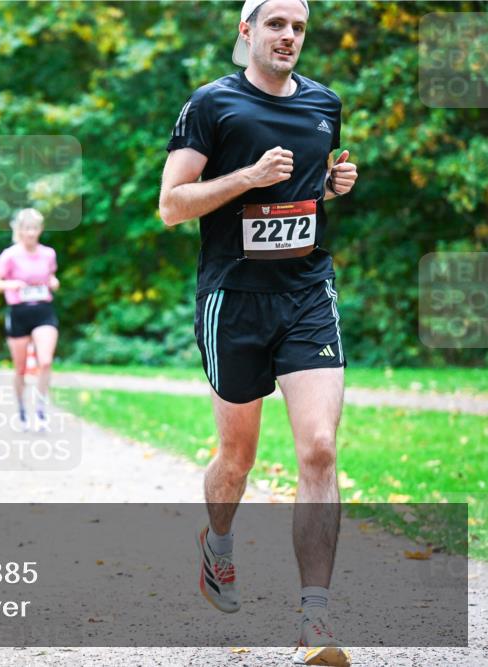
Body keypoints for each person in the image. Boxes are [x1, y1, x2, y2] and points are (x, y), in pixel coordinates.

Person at [159, 0, 358, 664]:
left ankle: (316, 620)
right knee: (237, 459)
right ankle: (216, 544)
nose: (288, 36)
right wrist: (247, 176)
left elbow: (305, 188)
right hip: (234, 299)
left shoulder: (324, 103)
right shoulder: (212, 104)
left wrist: (332, 184)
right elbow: (171, 204)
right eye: (276, 24)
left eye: (298, 27)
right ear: (246, 32)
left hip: (306, 294)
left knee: (320, 448)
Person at [0, 208, 60, 432]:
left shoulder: (48, 254)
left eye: (34, 228)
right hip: (19, 312)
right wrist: (12, 284)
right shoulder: (10, 255)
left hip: (43, 311)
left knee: (45, 361)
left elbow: (51, 276)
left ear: (40, 230)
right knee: (20, 369)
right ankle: (21, 411)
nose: (30, 233)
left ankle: (40, 411)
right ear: (19, 230)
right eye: (27, 228)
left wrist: (53, 282)